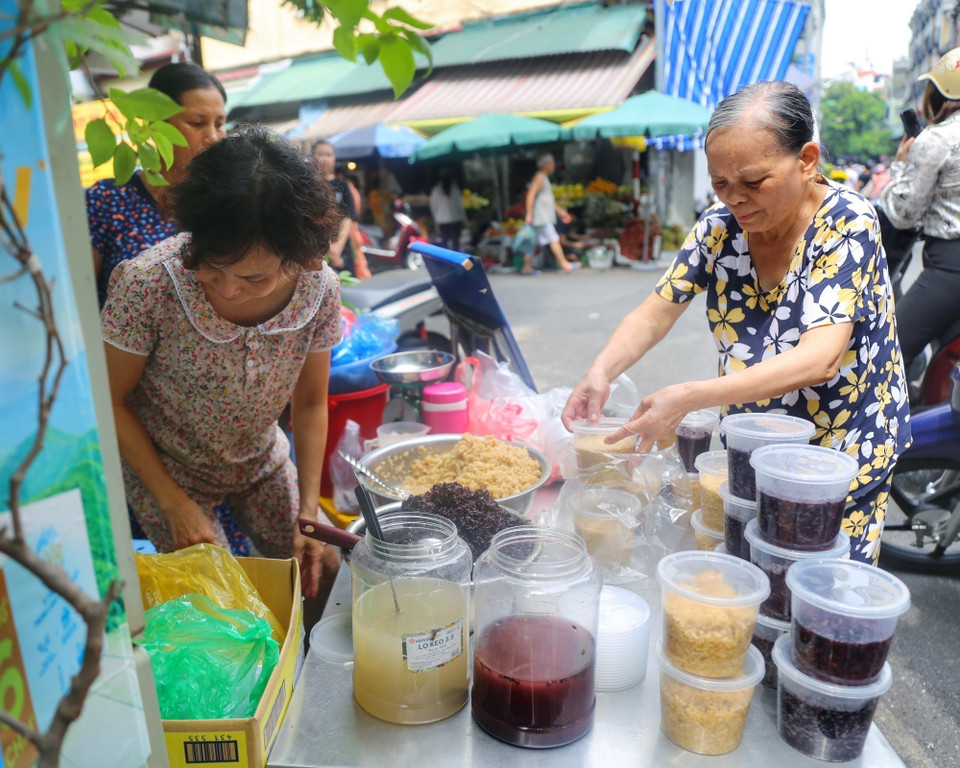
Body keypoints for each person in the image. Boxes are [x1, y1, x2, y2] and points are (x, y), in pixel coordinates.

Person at [562, 81, 910, 565]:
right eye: (721, 184)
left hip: (839, 453)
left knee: (818, 599)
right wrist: (600, 371)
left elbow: (821, 358)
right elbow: (653, 313)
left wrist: (687, 397)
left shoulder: (848, 223)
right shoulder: (719, 228)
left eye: (753, 181)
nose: (736, 199)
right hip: (750, 449)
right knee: (748, 585)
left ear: (806, 160)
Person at [101, 126, 344, 600]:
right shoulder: (148, 283)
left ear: (303, 259)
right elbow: (106, 400)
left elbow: (312, 403)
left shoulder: (320, 288)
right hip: (168, 470)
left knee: (322, 570)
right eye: (211, 269)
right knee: (228, 602)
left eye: (254, 277)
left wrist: (309, 510)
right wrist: (174, 504)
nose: (230, 290)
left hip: (261, 458)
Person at [86, 61, 227, 307]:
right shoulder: (107, 199)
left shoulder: (228, 201)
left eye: (219, 124)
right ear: (154, 126)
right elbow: (79, 296)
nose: (213, 138)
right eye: (197, 123)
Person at [879, 48, 960, 372]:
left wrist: (900, 167)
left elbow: (903, 213)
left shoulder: (936, 139)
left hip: (951, 269)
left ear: (939, 93)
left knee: (886, 357)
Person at [523, 154, 580, 274]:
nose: (554, 165)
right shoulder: (539, 177)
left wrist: (561, 212)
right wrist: (529, 215)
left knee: (533, 243)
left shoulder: (544, 177)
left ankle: (526, 267)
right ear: (546, 164)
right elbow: (530, 195)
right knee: (554, 239)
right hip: (541, 217)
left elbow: (549, 200)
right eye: (552, 162)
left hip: (543, 216)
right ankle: (565, 264)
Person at [311, 141, 359, 273]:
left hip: (342, 250)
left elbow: (347, 218)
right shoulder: (307, 185)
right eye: (320, 154)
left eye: (329, 154)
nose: (324, 159)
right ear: (312, 157)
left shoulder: (342, 185)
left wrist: (337, 249)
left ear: (334, 158)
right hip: (314, 252)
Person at [430, 167, 466, 250]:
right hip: (455, 219)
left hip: (442, 220)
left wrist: (436, 221)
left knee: (444, 241)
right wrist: (464, 219)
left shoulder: (436, 190)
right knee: (455, 242)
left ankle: (445, 260)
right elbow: (460, 205)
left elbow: (433, 207)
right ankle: (455, 260)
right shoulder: (454, 189)